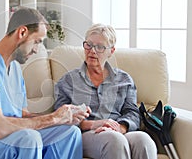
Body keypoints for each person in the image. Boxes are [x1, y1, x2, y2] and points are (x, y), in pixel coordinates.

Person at [0, 7, 90, 159]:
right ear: (22, 33)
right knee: (29, 139)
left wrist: (62, 118)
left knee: (69, 133)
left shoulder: (15, 68)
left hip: (9, 139)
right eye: (37, 42)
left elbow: (22, 115)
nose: (37, 50)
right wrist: (53, 118)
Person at [54, 23, 157, 159]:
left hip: (117, 129)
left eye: (100, 47)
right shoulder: (68, 81)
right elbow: (60, 117)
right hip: (86, 133)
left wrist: (120, 127)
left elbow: (132, 112)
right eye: (88, 45)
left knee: (144, 140)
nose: (92, 51)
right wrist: (94, 124)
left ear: (111, 51)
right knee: (114, 140)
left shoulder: (124, 79)